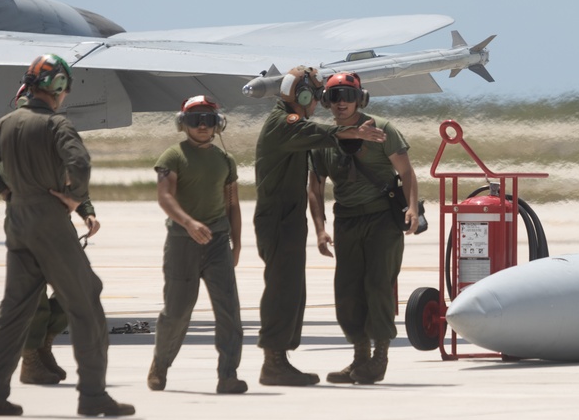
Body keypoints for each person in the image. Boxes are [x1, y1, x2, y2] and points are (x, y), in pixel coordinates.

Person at [0, 54, 134, 417]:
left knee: (13, 311)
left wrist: (6, 191)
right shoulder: (58, 125)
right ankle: (93, 395)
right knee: (85, 300)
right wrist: (75, 198)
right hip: (49, 219)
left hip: (17, 219)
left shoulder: (7, 123)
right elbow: (80, 162)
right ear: (58, 87)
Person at [253, 65, 387, 386]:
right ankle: (273, 362)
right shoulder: (284, 123)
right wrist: (353, 132)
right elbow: (317, 134)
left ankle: (279, 359)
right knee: (283, 288)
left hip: (287, 217)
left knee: (293, 290)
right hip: (278, 218)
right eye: (315, 95)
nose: (318, 102)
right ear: (301, 95)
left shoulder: (287, 121)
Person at [308, 72, 420, 385]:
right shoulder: (323, 139)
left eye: (347, 95)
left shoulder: (382, 129)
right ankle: (359, 357)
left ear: (360, 99)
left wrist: (411, 208)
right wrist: (320, 229)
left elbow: (407, 172)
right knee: (347, 291)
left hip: (381, 219)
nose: (341, 103)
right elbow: (314, 187)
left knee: (378, 285)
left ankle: (379, 356)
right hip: (346, 221)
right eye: (334, 97)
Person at [148, 95, 247, 394]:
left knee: (229, 311)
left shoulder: (225, 161)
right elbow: (165, 197)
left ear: (218, 124)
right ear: (183, 124)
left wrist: (237, 244)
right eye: (195, 120)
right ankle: (160, 366)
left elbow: (233, 204)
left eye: (208, 120)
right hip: (182, 243)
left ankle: (228, 374)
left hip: (217, 243)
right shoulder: (172, 156)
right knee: (177, 311)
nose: (203, 126)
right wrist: (189, 223)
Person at [18, 198, 99, 385]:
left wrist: (87, 213)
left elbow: (76, 187)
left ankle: (44, 345)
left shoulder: (64, 167)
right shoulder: (21, 166)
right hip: (28, 226)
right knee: (36, 297)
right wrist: (6, 193)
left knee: (79, 288)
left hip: (61, 229)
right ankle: (30, 359)